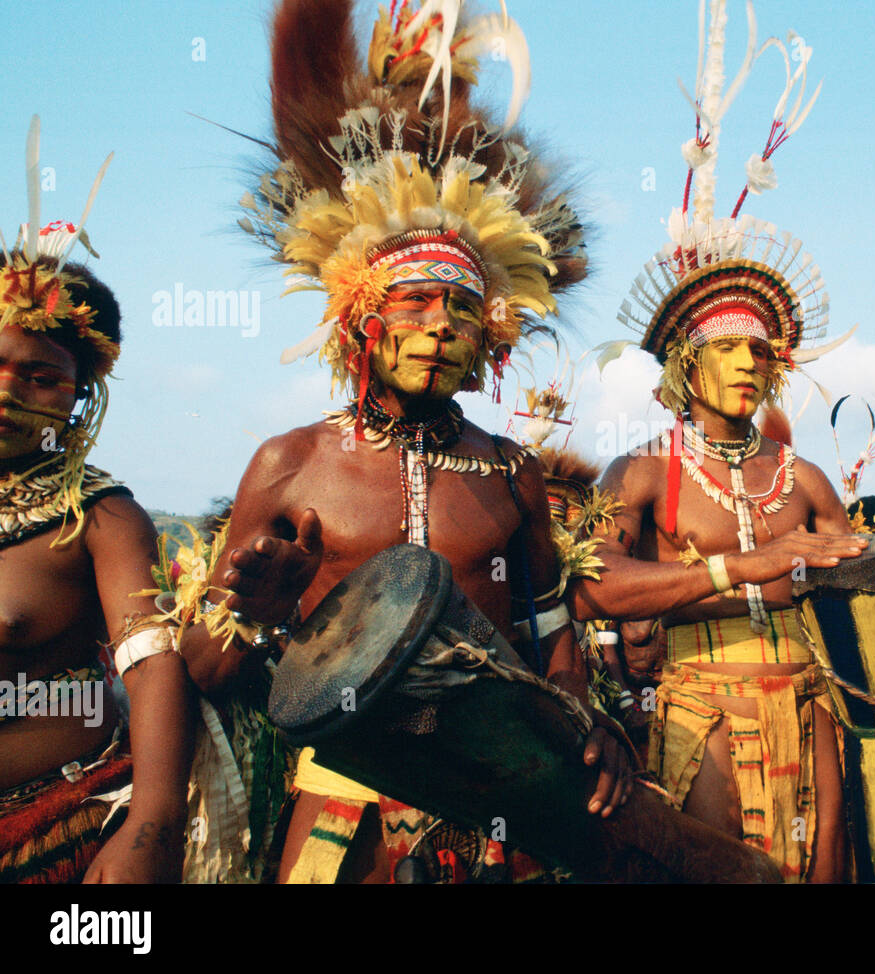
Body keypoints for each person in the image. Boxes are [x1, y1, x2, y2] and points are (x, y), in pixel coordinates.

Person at [178, 0, 627, 884]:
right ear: (359, 317)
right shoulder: (292, 464)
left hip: (502, 800)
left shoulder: (510, 472)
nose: (439, 326)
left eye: (461, 308)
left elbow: (551, 636)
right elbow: (202, 666)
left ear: (490, 335)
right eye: (414, 302)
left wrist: (585, 723)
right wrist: (256, 617)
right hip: (345, 805)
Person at [571, 0, 875, 883]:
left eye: (760, 351)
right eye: (725, 348)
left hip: (812, 702)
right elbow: (593, 585)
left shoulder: (805, 478)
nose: (747, 364)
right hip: (702, 707)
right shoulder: (642, 472)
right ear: (686, 364)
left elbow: (872, 587)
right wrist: (740, 569)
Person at [0, 121, 194, 882]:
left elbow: (151, 665)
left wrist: (152, 823)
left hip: (56, 827)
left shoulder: (101, 518)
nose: (8, 392)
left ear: (78, 400)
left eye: (41, 377)